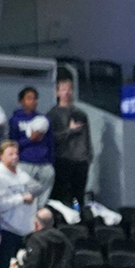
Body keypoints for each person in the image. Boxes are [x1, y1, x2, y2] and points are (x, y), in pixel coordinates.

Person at [0, 140, 41, 268]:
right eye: (10, 154)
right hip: (8, 230)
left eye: (16, 153)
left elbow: (37, 187)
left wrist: (33, 193)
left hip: (27, 229)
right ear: (1, 156)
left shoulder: (21, 173)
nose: (15, 157)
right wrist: (22, 198)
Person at [44, 77, 91, 206]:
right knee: (63, 195)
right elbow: (51, 138)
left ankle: (80, 221)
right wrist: (69, 131)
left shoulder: (81, 114)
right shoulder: (52, 114)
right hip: (63, 159)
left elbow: (86, 137)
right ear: (57, 93)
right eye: (63, 89)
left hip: (81, 160)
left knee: (79, 195)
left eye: (69, 89)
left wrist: (88, 156)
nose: (67, 92)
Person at [8, 87, 53, 208]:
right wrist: (30, 139)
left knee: (43, 194)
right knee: (26, 194)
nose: (33, 101)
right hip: (24, 162)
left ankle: (39, 215)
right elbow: (12, 143)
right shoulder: (15, 120)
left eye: (35, 99)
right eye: (29, 99)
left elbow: (50, 142)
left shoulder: (43, 119)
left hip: (43, 163)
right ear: (21, 101)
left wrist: (50, 160)